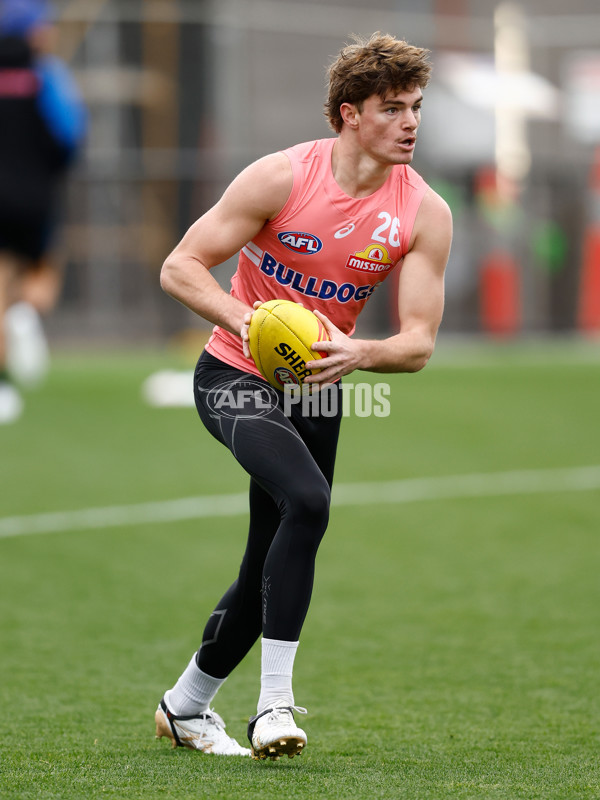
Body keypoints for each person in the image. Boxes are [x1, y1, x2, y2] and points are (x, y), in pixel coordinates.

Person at [156, 32, 452, 760]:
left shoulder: (422, 213)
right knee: (310, 502)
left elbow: (417, 342)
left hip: (318, 389)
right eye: (393, 108)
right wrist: (247, 320)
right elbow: (181, 266)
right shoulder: (281, 178)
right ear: (349, 113)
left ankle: (186, 704)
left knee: (269, 554)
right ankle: (273, 707)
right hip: (233, 376)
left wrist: (362, 352)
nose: (411, 121)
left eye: (416, 106)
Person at [0, 0, 86, 423]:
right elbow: (69, 135)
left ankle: (2, 382)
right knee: (41, 270)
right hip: (35, 196)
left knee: (0, 281)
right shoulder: (45, 76)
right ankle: (24, 315)